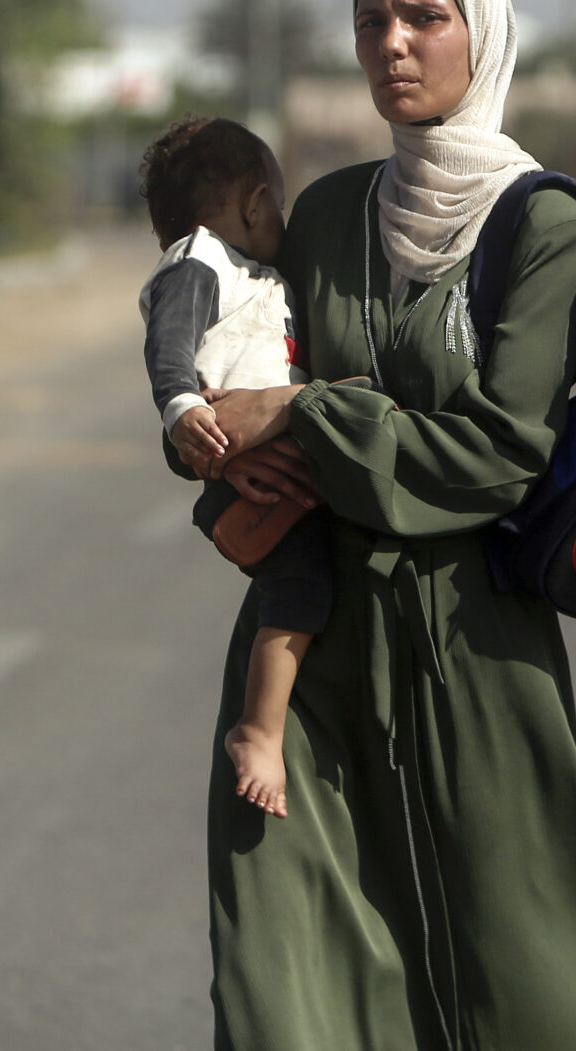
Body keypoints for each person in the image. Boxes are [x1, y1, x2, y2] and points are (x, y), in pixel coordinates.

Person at [184, 0, 576, 1049]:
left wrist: (313, 419)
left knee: (528, 972)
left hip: (475, 639)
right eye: (372, 22)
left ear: (483, 31)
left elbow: (500, 452)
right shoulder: (322, 217)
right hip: (312, 635)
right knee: (285, 976)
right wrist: (208, 434)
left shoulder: (539, 226)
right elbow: (246, 382)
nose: (393, 46)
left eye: (424, 17)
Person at [138, 115, 317, 817]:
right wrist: (184, 409)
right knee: (303, 587)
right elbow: (170, 342)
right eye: (276, 200)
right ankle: (259, 730)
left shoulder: (253, 272)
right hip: (242, 475)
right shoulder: (198, 259)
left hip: (261, 466)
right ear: (254, 202)